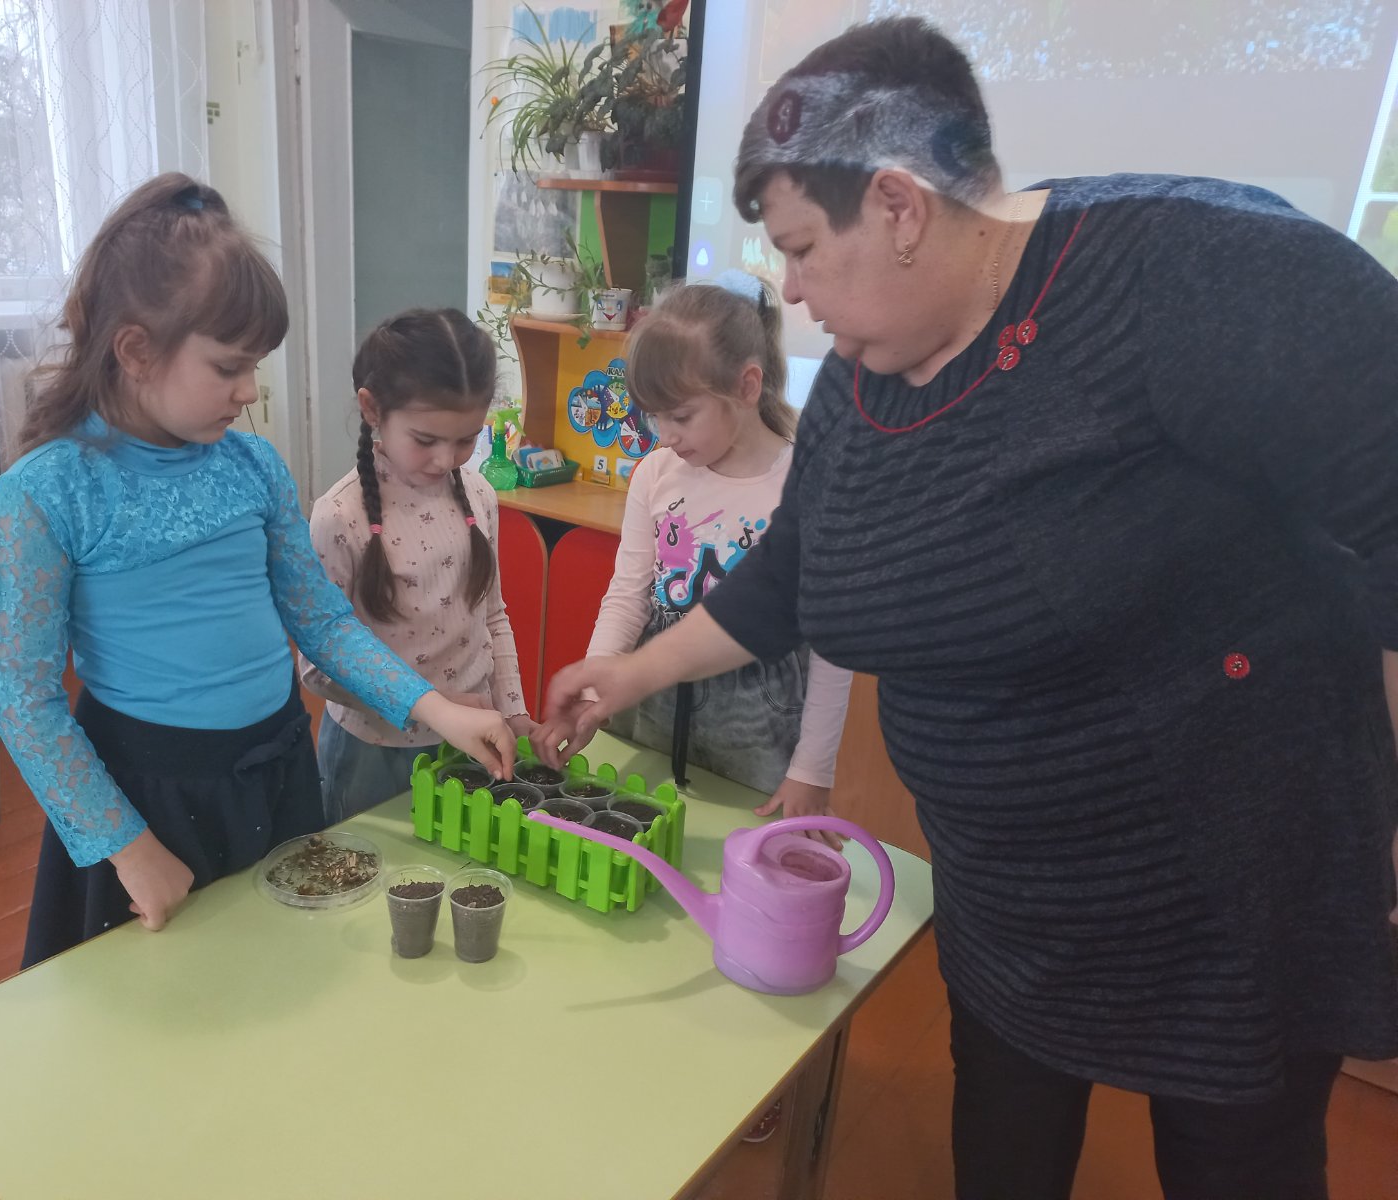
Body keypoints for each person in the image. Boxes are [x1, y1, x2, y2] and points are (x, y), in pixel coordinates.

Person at [540, 18, 1398, 1200]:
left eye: (801, 249)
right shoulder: (864, 378)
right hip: (1010, 898)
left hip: (1225, 884)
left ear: (898, 206)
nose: (791, 293)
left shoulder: (1198, 268)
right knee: (1002, 1144)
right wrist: (628, 672)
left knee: (1233, 1161)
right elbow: (792, 577)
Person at [0, 175, 515, 967]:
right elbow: (25, 703)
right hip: (148, 795)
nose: (250, 390)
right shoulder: (45, 493)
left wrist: (437, 710)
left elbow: (323, 623)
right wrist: (127, 846)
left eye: (255, 365)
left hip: (277, 769)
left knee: (280, 969)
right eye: (229, 367)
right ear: (135, 350)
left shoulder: (252, 466)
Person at [531, 272, 852, 842]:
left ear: (747, 386)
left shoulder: (801, 482)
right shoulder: (656, 473)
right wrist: (592, 696)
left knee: (737, 851)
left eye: (681, 417)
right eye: (654, 417)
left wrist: (813, 769)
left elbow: (832, 648)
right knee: (641, 836)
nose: (666, 436)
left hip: (759, 721)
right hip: (654, 704)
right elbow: (627, 595)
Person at [300, 308, 535, 822]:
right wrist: (436, 705)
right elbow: (317, 669)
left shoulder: (479, 494)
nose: (447, 460)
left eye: (466, 439)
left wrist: (514, 710)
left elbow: (494, 617)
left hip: (469, 744)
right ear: (372, 409)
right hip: (373, 754)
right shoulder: (339, 516)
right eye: (426, 440)